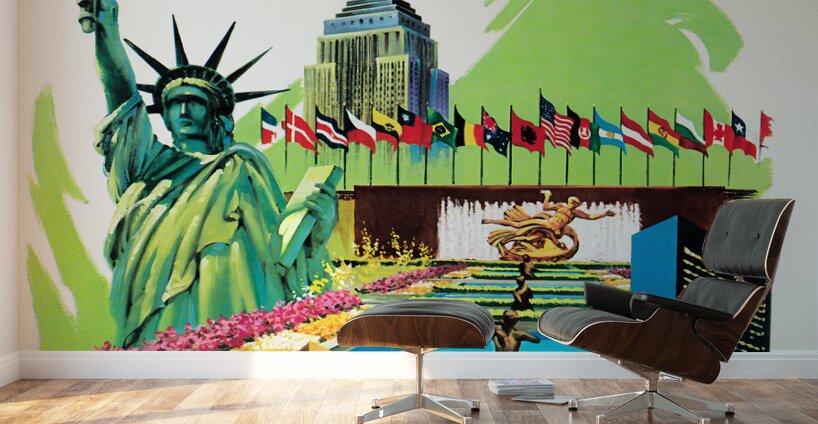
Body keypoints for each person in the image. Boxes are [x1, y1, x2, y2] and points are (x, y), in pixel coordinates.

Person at [80, 0, 338, 348]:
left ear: (215, 112)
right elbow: (120, 92)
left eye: (195, 101)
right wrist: (107, 32)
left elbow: (279, 250)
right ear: (164, 115)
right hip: (159, 311)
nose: (184, 110)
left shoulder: (242, 166)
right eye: (174, 103)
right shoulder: (149, 165)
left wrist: (318, 229)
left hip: (239, 311)